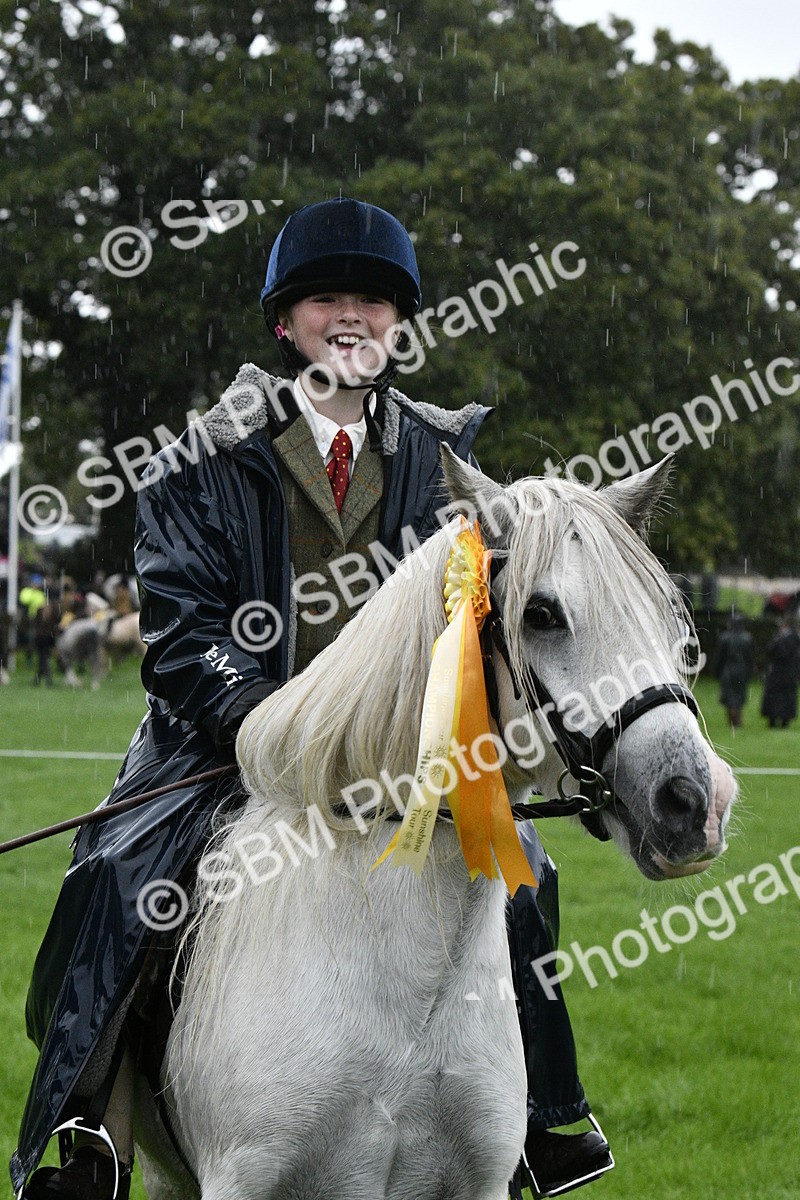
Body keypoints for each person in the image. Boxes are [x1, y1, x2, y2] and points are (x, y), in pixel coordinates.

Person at [14, 199, 612, 1200]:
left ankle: (544, 1123)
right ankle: (92, 1127)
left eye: (372, 301)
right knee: (120, 876)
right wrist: (266, 726)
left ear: (397, 323)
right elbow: (180, 631)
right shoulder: (197, 458)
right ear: (284, 324)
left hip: (407, 752)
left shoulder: (449, 458)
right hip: (228, 738)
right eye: (326, 298)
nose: (351, 317)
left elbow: (487, 620)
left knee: (524, 869)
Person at [715, 612, 754, 728]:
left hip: (728, 670)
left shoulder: (724, 637)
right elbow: (750, 658)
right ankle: (737, 719)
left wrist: (718, 671)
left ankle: (732, 719)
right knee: (739, 695)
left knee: (729, 696)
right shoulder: (747, 638)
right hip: (742, 670)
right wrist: (750, 671)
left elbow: (720, 657)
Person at [761, 617, 800, 728]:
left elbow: (773, 652)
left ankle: (773, 720)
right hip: (790, 673)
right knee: (787, 697)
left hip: (779, 672)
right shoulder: (795, 638)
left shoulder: (780, 639)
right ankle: (784, 720)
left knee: (774, 696)